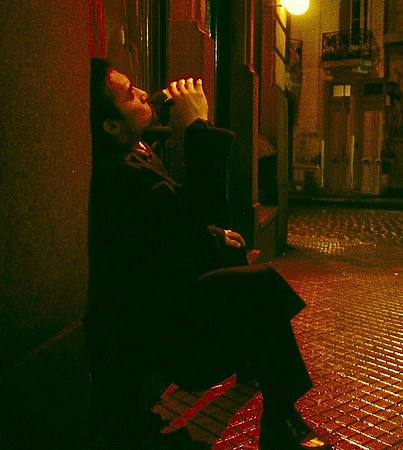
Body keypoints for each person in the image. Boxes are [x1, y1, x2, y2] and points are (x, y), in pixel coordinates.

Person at [86, 57, 329, 450]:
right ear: (111, 125)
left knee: (240, 262)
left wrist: (216, 235)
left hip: (169, 298)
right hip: (158, 326)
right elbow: (195, 215)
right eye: (129, 94)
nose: (143, 94)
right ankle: (281, 419)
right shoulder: (119, 172)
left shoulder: (139, 150)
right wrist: (197, 129)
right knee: (260, 284)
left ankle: (271, 398)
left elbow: (176, 220)